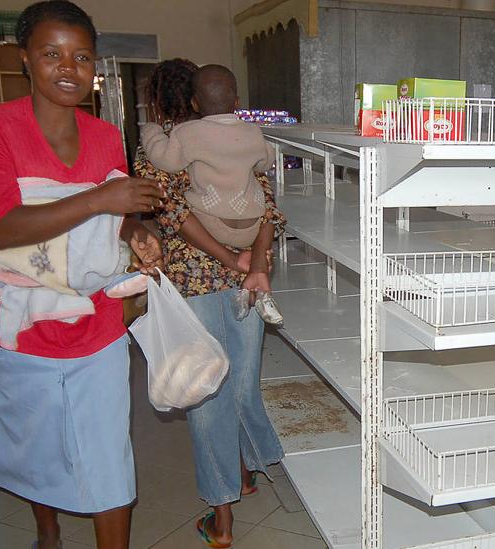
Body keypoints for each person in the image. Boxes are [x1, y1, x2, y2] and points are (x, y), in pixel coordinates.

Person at [0, 2, 164, 549]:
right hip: (20, 322)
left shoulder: (104, 136)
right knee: (35, 445)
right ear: (25, 58)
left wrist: (134, 232)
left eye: (82, 57)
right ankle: (47, 532)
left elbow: (112, 219)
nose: (69, 68)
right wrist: (101, 199)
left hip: (95, 320)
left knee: (107, 454)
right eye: (52, 54)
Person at [135, 58, 285, 548]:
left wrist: (230, 257)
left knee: (206, 393)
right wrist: (255, 262)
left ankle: (222, 520)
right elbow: (269, 210)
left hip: (192, 285)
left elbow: (172, 215)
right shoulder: (242, 139)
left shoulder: (162, 150)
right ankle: (244, 474)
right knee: (241, 383)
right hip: (246, 278)